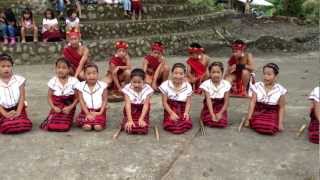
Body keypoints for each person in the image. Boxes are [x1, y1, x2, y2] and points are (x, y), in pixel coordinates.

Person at [246, 63, 287, 135]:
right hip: (258, 111)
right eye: (264, 74)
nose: (266, 77)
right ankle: (253, 121)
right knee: (258, 124)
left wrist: (280, 123)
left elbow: (282, 107)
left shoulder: (281, 90)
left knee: (270, 127)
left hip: (272, 112)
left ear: (276, 76)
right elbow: (252, 103)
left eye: (269, 74)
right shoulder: (257, 86)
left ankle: (273, 122)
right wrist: (248, 118)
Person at [40, 58, 79, 132]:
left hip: (68, 109)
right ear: (56, 68)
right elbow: (49, 98)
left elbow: (77, 98)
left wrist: (70, 108)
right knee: (51, 126)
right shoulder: (52, 81)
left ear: (69, 69)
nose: (60, 70)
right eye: (58, 67)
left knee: (64, 126)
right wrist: (54, 107)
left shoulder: (74, 81)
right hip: (56, 108)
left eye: (64, 68)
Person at [0, 53, 32, 134]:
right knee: (6, 125)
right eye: (3, 66)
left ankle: (17, 119)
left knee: (24, 124)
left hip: (18, 108)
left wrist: (18, 112)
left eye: (8, 66)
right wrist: (5, 114)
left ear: (12, 66)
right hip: (2, 111)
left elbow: (22, 97)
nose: (6, 69)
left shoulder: (19, 80)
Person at [159, 63, 193, 134]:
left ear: (184, 75)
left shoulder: (188, 86)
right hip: (170, 109)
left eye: (181, 74)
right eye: (176, 73)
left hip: (182, 109)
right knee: (171, 124)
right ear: (171, 73)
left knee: (185, 123)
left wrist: (186, 112)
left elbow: (188, 102)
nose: (178, 76)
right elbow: (164, 102)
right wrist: (171, 113)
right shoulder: (165, 85)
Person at [76, 63, 108, 131]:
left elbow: (105, 100)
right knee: (88, 126)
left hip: (99, 111)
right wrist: (87, 113)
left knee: (97, 127)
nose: (92, 76)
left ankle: (97, 122)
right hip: (86, 111)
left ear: (98, 74)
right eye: (89, 73)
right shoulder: (80, 86)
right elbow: (81, 101)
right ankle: (88, 122)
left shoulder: (103, 86)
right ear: (84, 75)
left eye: (94, 73)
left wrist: (100, 112)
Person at [121, 68, 154, 134]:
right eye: (134, 82)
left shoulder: (148, 89)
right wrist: (130, 120)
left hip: (142, 112)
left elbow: (146, 105)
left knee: (142, 128)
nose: (137, 85)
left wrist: (141, 119)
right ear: (131, 81)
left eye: (139, 82)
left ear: (144, 81)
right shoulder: (127, 88)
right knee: (129, 127)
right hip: (131, 111)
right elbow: (127, 105)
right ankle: (127, 120)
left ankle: (142, 120)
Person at [200, 62, 231, 128]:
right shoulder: (206, 84)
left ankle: (220, 115)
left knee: (222, 122)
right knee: (209, 120)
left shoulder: (226, 84)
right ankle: (206, 114)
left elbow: (226, 102)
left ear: (222, 73)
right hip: (209, 107)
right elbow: (208, 100)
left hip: (220, 107)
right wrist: (212, 114)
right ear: (210, 73)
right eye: (213, 72)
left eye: (218, 72)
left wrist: (220, 113)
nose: (216, 74)